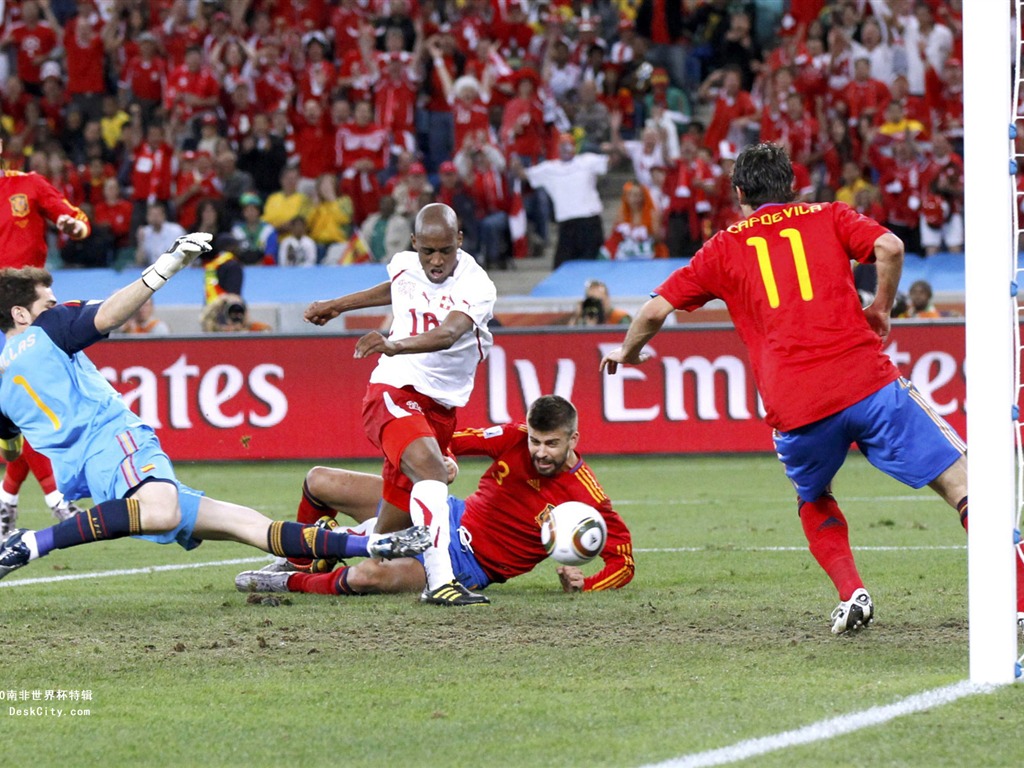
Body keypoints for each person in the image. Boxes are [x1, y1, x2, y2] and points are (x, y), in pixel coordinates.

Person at [600, 143, 1024, 634]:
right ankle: (1017, 596)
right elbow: (890, 247)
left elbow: (653, 310)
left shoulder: (723, 246)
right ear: (792, 185)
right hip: (866, 381)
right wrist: (882, 307)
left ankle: (853, 593)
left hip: (796, 406)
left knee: (813, 495)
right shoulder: (829, 215)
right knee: (964, 485)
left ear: (739, 193)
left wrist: (628, 353)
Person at [0, 243, 431, 579]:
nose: (54, 308)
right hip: (118, 444)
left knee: (250, 525)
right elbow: (109, 313)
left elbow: (12, 445)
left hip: (101, 481)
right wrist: (163, 270)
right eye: (46, 303)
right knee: (163, 510)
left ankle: (373, 546)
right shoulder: (49, 329)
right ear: (21, 313)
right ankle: (33, 543)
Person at [235, 396, 635, 597]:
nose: (540, 452)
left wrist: (587, 586)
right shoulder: (512, 438)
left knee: (366, 576)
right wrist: (442, 459)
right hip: (445, 513)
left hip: (470, 564)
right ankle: (299, 556)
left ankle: (291, 582)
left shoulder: (587, 496)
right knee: (320, 480)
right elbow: (447, 441)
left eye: (552, 443)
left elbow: (624, 560)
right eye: (535, 441)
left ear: (573, 440)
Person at [303, 203, 497, 606]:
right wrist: (337, 304)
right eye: (428, 251)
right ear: (415, 244)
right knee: (432, 470)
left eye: (446, 250)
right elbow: (394, 287)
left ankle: (305, 558)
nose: (437, 260)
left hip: (439, 410)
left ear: (460, 240)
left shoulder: (477, 286)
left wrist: (392, 343)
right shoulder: (406, 264)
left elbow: (447, 335)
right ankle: (440, 583)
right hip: (393, 391)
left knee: (385, 539)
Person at [0, 137, 92, 535]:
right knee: (18, 411)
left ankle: (23, 500)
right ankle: (44, 499)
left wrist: (74, 226)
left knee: (24, 409)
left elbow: (77, 220)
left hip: (26, 311)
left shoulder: (29, 184)